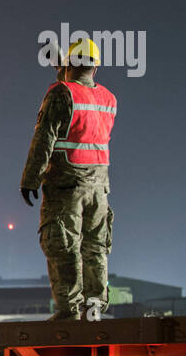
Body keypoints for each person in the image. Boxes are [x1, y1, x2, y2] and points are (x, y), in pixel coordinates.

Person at [20, 38, 117, 320]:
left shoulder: (61, 94)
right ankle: (95, 308)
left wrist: (30, 179)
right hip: (99, 188)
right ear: (95, 67)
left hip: (67, 183)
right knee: (95, 247)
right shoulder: (108, 99)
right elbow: (78, 89)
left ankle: (69, 310)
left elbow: (44, 139)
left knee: (62, 244)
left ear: (69, 64)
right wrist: (62, 65)